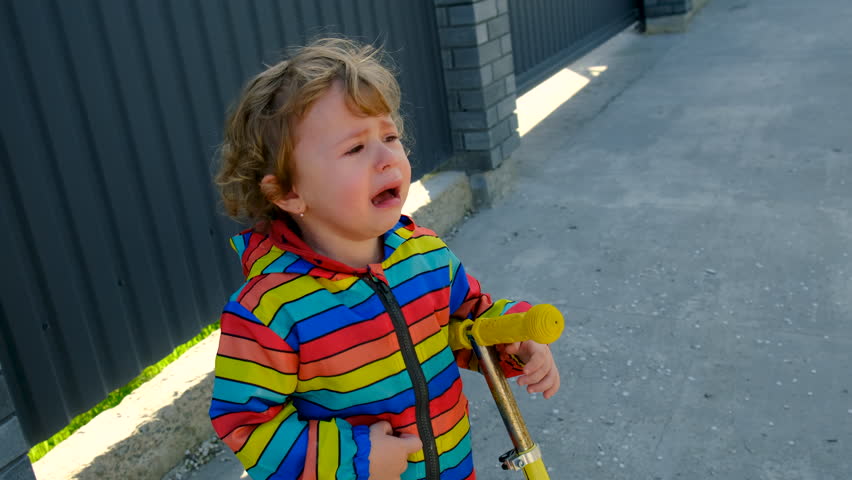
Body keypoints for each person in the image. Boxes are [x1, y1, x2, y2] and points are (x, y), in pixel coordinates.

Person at [209, 37, 560, 480]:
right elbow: (245, 424)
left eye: (390, 136)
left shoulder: (427, 258)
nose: (386, 157)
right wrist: (353, 460)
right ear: (288, 192)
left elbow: (472, 323)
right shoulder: (269, 310)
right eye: (355, 148)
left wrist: (516, 339)